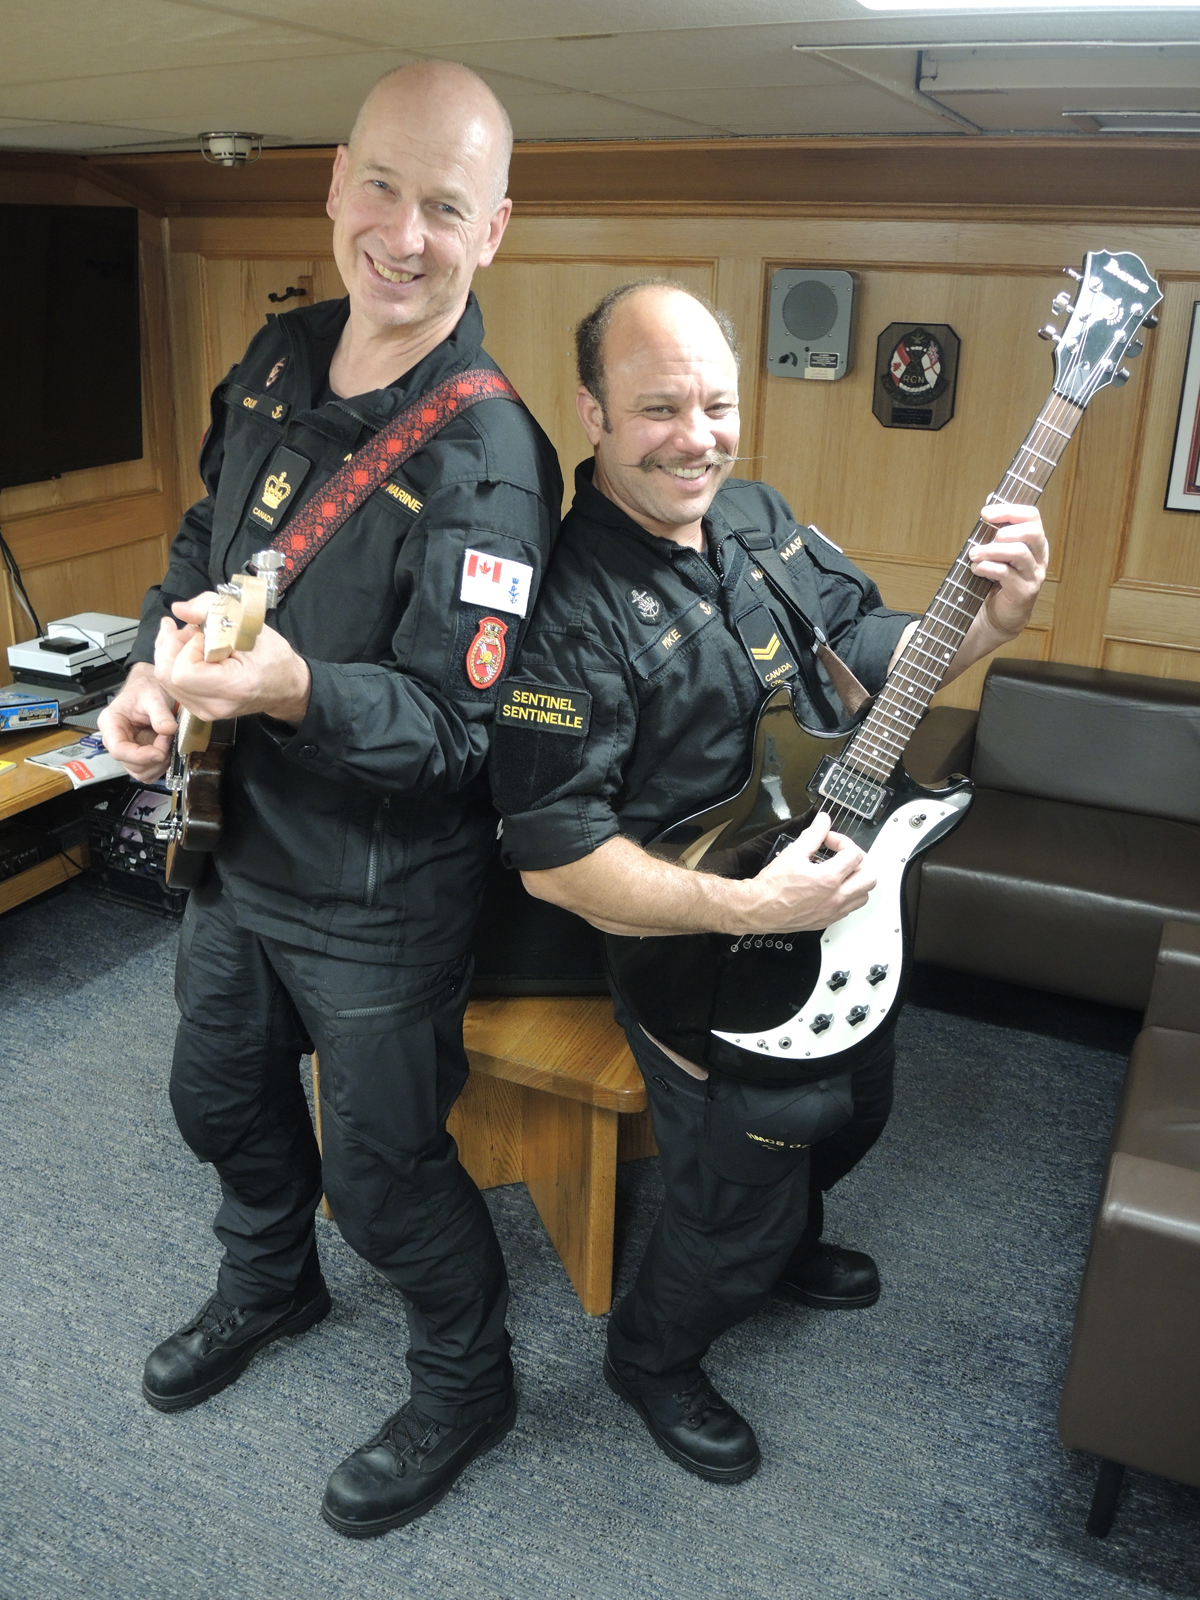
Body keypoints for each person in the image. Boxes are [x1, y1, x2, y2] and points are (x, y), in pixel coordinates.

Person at [98, 62, 561, 1537]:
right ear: (333, 183)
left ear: (495, 226)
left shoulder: (493, 456)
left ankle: (465, 1377)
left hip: (379, 894)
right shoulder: (283, 352)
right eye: (382, 186)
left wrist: (294, 689)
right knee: (215, 1096)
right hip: (236, 851)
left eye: (445, 205)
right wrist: (153, 673)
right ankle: (269, 1284)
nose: (404, 234)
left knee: (385, 1174)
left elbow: (451, 729)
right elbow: (204, 538)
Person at [490, 280, 1047, 1484]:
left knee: (862, 1104)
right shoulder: (562, 606)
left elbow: (859, 658)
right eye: (658, 408)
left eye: (716, 402)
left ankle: (789, 1232)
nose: (697, 435)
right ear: (590, 411)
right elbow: (556, 862)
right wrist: (752, 908)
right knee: (744, 1178)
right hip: (691, 946)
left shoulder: (757, 515)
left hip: (833, 899)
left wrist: (988, 623)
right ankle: (654, 1352)